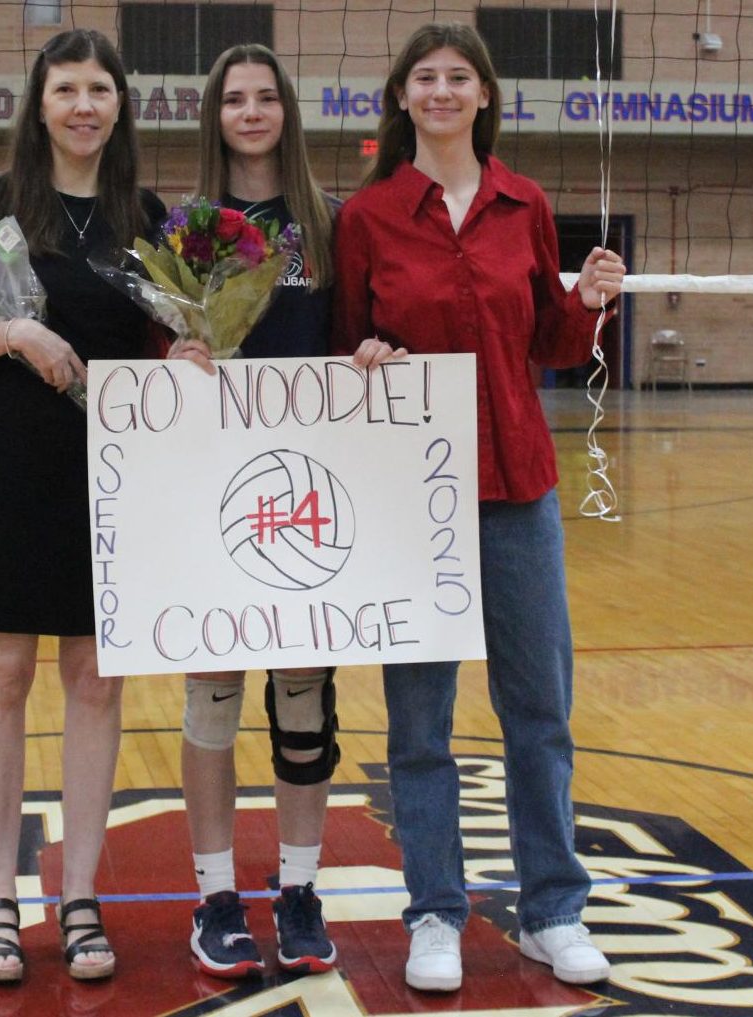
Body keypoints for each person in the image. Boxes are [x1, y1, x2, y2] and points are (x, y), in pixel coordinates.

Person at [329, 23, 625, 993]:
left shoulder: (524, 203)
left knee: (537, 709)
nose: (444, 90)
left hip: (519, 489)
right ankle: (434, 914)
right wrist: (364, 359)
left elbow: (546, 337)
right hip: (412, 501)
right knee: (421, 725)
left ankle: (553, 910)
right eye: (427, 77)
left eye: (461, 76)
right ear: (402, 96)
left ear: (486, 95)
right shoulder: (368, 216)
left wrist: (586, 303)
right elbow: (344, 355)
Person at [0, 29, 165, 985]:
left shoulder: (140, 214)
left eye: (100, 89)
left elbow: (161, 340)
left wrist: (185, 357)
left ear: (118, 106)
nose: (83, 106)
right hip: (5, 463)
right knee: (0, 679)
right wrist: (14, 328)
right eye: (66, 89)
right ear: (41, 101)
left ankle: (81, 895)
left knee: (98, 679)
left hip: (111, 471)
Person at [166, 43, 341, 979]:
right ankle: (215, 896)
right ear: (214, 114)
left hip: (312, 495)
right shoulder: (187, 228)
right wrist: (170, 358)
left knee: (303, 701)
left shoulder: (327, 222)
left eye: (265, 96)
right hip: (212, 492)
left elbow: (356, 334)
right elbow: (156, 347)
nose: (250, 111)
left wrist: (374, 356)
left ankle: (301, 891)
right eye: (232, 97)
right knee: (213, 700)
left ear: (286, 111)